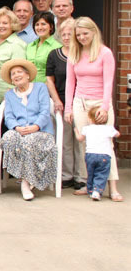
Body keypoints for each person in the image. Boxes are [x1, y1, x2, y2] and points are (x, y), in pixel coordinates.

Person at [65, 17, 123, 202]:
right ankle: (88, 183)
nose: (82, 37)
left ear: (94, 32)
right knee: (85, 145)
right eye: (78, 34)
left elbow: (108, 82)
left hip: (99, 102)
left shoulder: (105, 53)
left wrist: (105, 107)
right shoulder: (74, 53)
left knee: (106, 145)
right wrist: (68, 108)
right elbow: (70, 83)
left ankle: (112, 187)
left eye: (85, 34)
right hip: (80, 102)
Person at [0, 59, 57, 201]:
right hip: (20, 130)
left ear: (27, 75)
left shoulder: (40, 88)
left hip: (41, 131)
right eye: (13, 74)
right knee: (7, 138)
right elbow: (9, 116)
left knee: (29, 141)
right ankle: (24, 176)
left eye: (19, 72)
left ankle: (25, 183)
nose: (16, 75)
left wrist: (35, 126)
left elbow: (45, 111)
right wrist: (17, 127)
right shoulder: (10, 95)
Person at [46, 19, 83, 190]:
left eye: (70, 34)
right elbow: (49, 79)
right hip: (61, 100)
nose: (67, 37)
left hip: (81, 101)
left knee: (81, 140)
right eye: (64, 34)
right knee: (65, 140)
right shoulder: (54, 54)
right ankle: (66, 175)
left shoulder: (83, 53)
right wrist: (56, 100)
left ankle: (81, 176)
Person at [74, 106, 120, 201]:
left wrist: (75, 131)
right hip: (104, 156)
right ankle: (96, 192)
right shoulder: (108, 128)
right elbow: (117, 134)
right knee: (101, 174)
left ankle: (90, 190)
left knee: (91, 173)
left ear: (90, 119)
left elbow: (80, 139)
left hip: (90, 155)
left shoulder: (87, 128)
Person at [26, 11, 62, 83]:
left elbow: (58, 73)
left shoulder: (57, 46)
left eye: (43, 24)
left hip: (48, 89)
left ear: (51, 26)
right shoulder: (30, 46)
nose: (40, 27)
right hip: (30, 88)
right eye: (37, 24)